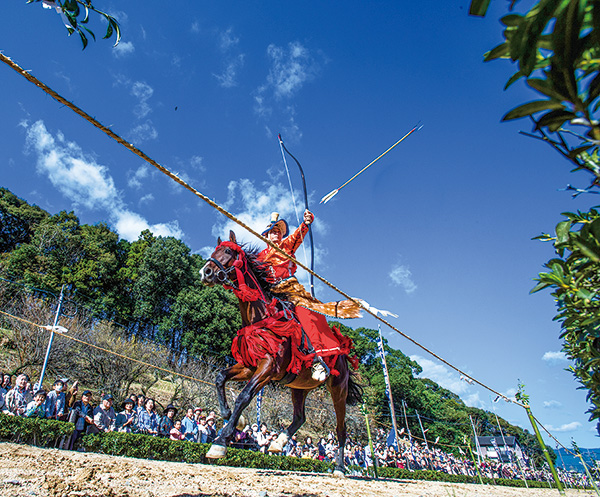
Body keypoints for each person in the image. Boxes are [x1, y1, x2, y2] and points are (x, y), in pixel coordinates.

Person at [256, 210, 361, 380]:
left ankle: (317, 358)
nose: (276, 233)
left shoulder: (287, 245)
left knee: (306, 313)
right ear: (266, 235)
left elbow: (298, 235)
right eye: (273, 231)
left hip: (290, 290)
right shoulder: (259, 257)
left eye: (278, 231)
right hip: (271, 294)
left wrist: (305, 223)